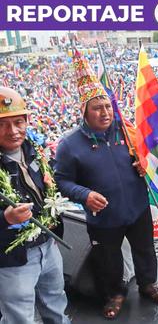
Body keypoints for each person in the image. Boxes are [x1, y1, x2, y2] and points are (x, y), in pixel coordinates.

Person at [54, 56, 158, 319]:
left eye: (107, 106)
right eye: (97, 108)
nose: (105, 112)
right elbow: (62, 181)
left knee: (145, 249)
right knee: (108, 259)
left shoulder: (126, 130)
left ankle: (148, 283)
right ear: (84, 111)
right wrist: (85, 195)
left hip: (137, 208)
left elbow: (150, 156)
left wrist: (144, 164)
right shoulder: (69, 145)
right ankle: (114, 294)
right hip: (103, 217)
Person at [0, 87, 71, 324]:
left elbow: (55, 185)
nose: (13, 131)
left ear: (27, 121)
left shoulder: (36, 151)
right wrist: (6, 219)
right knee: (20, 317)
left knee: (56, 302)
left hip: (48, 246)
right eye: (2, 124)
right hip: (12, 259)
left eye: (18, 122)